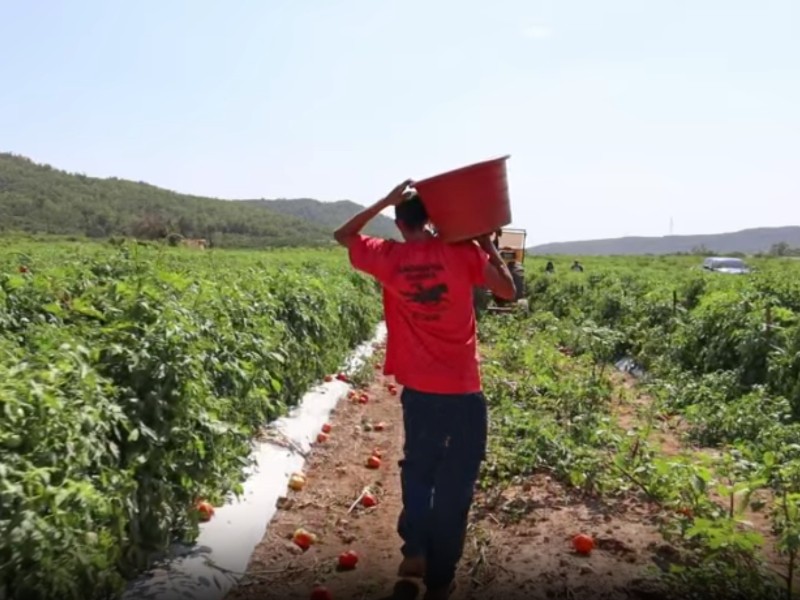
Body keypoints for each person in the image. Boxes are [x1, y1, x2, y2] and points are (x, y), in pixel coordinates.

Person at [334, 180, 516, 600]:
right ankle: (440, 577)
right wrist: (487, 243)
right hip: (463, 391)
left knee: (418, 468)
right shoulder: (460, 252)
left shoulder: (386, 256)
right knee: (456, 483)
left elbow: (344, 235)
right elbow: (507, 291)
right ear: (431, 219)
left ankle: (414, 549)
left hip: (418, 390)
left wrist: (385, 200)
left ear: (398, 223)